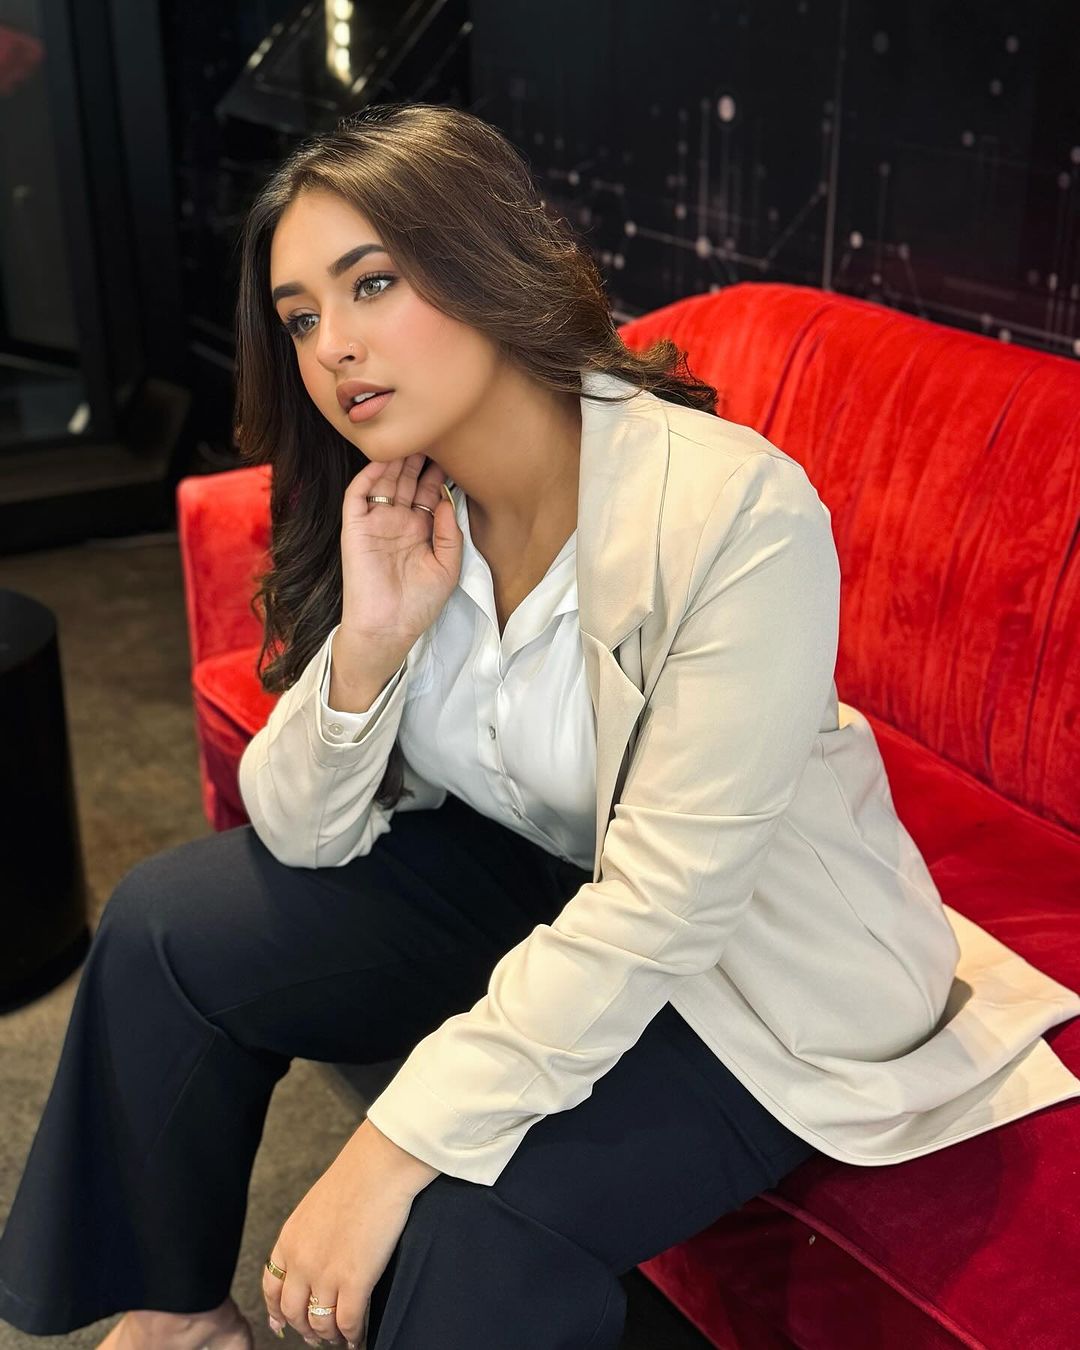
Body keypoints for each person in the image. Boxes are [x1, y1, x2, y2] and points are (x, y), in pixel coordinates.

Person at [1, 100, 1077, 1350]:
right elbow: (295, 831)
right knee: (165, 926)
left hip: (757, 972)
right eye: (300, 317)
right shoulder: (407, 503)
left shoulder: (731, 512)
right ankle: (178, 1318)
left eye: (372, 283)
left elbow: (668, 906)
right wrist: (373, 640)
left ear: (483, 260)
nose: (334, 346)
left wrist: (394, 1143)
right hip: (552, 874)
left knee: (464, 1221)